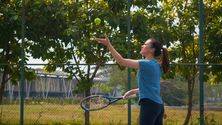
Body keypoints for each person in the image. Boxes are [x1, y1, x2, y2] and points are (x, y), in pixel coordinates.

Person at [95, 37, 169, 125]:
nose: (142, 46)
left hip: (150, 105)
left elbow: (121, 61)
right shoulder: (157, 65)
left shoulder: (146, 64)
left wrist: (109, 45)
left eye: (145, 44)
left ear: (152, 50)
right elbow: (151, 86)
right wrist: (132, 91)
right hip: (159, 106)